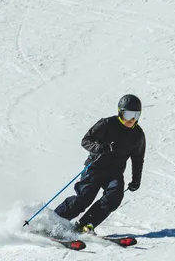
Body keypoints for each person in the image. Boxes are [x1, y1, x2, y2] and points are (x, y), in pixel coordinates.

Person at [54, 94, 145, 233]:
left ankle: (86, 224)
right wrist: (99, 148)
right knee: (84, 198)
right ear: (120, 112)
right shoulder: (106, 124)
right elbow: (86, 140)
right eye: (128, 115)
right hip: (95, 168)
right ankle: (55, 220)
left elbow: (138, 158)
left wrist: (136, 179)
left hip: (115, 172)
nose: (131, 119)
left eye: (136, 115)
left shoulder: (138, 135)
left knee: (114, 197)